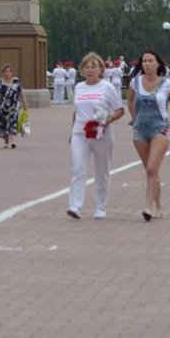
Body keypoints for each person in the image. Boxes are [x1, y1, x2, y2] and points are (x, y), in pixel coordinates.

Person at [126, 50, 170, 221]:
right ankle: (158, 204)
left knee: (152, 168)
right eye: (144, 61)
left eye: (151, 60)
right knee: (151, 171)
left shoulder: (166, 84)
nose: (147, 64)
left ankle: (148, 206)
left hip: (160, 129)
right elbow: (130, 100)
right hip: (140, 129)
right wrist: (134, 117)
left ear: (158, 63)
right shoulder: (135, 82)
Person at [67, 51, 124, 220]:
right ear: (82, 70)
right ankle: (75, 205)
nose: (90, 70)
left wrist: (109, 118)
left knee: (102, 170)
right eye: (86, 67)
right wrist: (71, 131)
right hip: (80, 134)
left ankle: (100, 206)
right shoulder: (79, 87)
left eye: (94, 66)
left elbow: (120, 110)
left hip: (101, 134)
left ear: (101, 69)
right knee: (78, 168)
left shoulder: (107, 88)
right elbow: (76, 111)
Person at [0, 64, 24, 148]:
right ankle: (6, 142)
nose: (6, 73)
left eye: (8, 71)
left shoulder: (16, 81)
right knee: (5, 124)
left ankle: (13, 141)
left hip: (14, 106)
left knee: (13, 123)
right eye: (5, 71)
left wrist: (25, 104)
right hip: (3, 107)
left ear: (12, 72)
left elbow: (20, 92)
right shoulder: (0, 82)